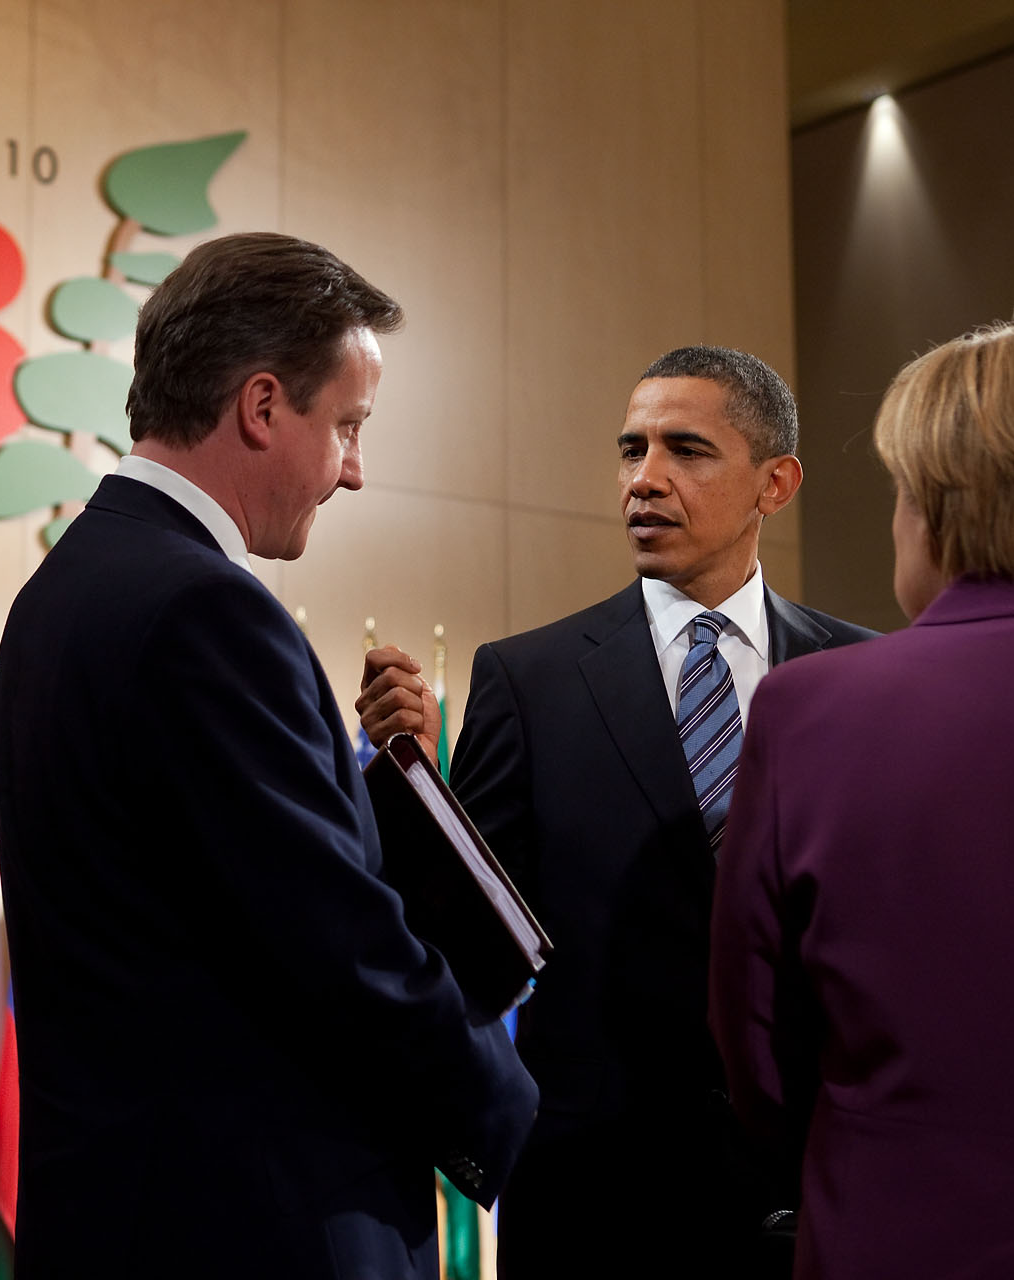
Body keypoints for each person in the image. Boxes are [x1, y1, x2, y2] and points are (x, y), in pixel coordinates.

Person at [0, 232, 537, 1280]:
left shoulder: (62, 591)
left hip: (122, 1215)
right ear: (262, 405)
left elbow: (203, 879)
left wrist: (387, 783)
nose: (355, 471)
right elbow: (338, 941)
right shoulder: (207, 609)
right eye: (348, 425)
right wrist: (510, 1109)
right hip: (249, 1225)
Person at [360, 345, 874, 1276]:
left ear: (777, 483)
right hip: (596, 1200)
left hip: (820, 1187)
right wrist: (410, 783)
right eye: (631, 450)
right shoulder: (529, 679)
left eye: (686, 451)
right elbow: (465, 936)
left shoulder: (864, 678)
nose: (645, 480)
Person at [709, 315, 1014, 1279]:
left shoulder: (812, 711)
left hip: (901, 1236)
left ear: (941, 507)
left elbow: (758, 1053)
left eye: (901, 491)